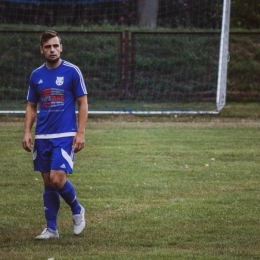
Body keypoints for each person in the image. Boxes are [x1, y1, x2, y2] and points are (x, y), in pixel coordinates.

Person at [22, 30, 88, 239]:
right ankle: (52, 229)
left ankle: (77, 210)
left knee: (57, 179)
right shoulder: (36, 75)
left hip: (65, 135)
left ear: (61, 47)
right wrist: (27, 132)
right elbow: (31, 106)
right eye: (48, 47)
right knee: (48, 182)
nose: (52, 50)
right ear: (41, 49)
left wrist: (80, 132)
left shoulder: (72, 71)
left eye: (55, 46)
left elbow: (83, 102)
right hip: (42, 137)